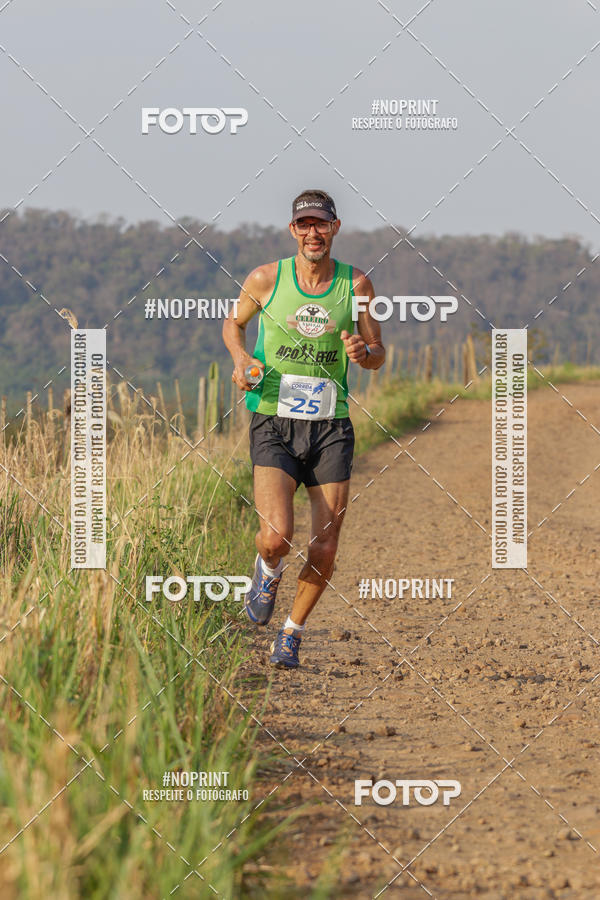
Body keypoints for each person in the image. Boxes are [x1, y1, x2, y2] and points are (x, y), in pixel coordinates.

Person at [223, 189, 384, 668]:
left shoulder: (357, 285)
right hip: (274, 417)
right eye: (304, 225)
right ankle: (267, 568)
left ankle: (292, 633)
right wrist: (241, 358)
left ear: (335, 228)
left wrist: (364, 354)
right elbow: (233, 325)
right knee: (277, 536)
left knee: (326, 543)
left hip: (330, 427)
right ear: (292, 230)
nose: (313, 233)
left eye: (321, 224)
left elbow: (377, 353)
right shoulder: (266, 278)